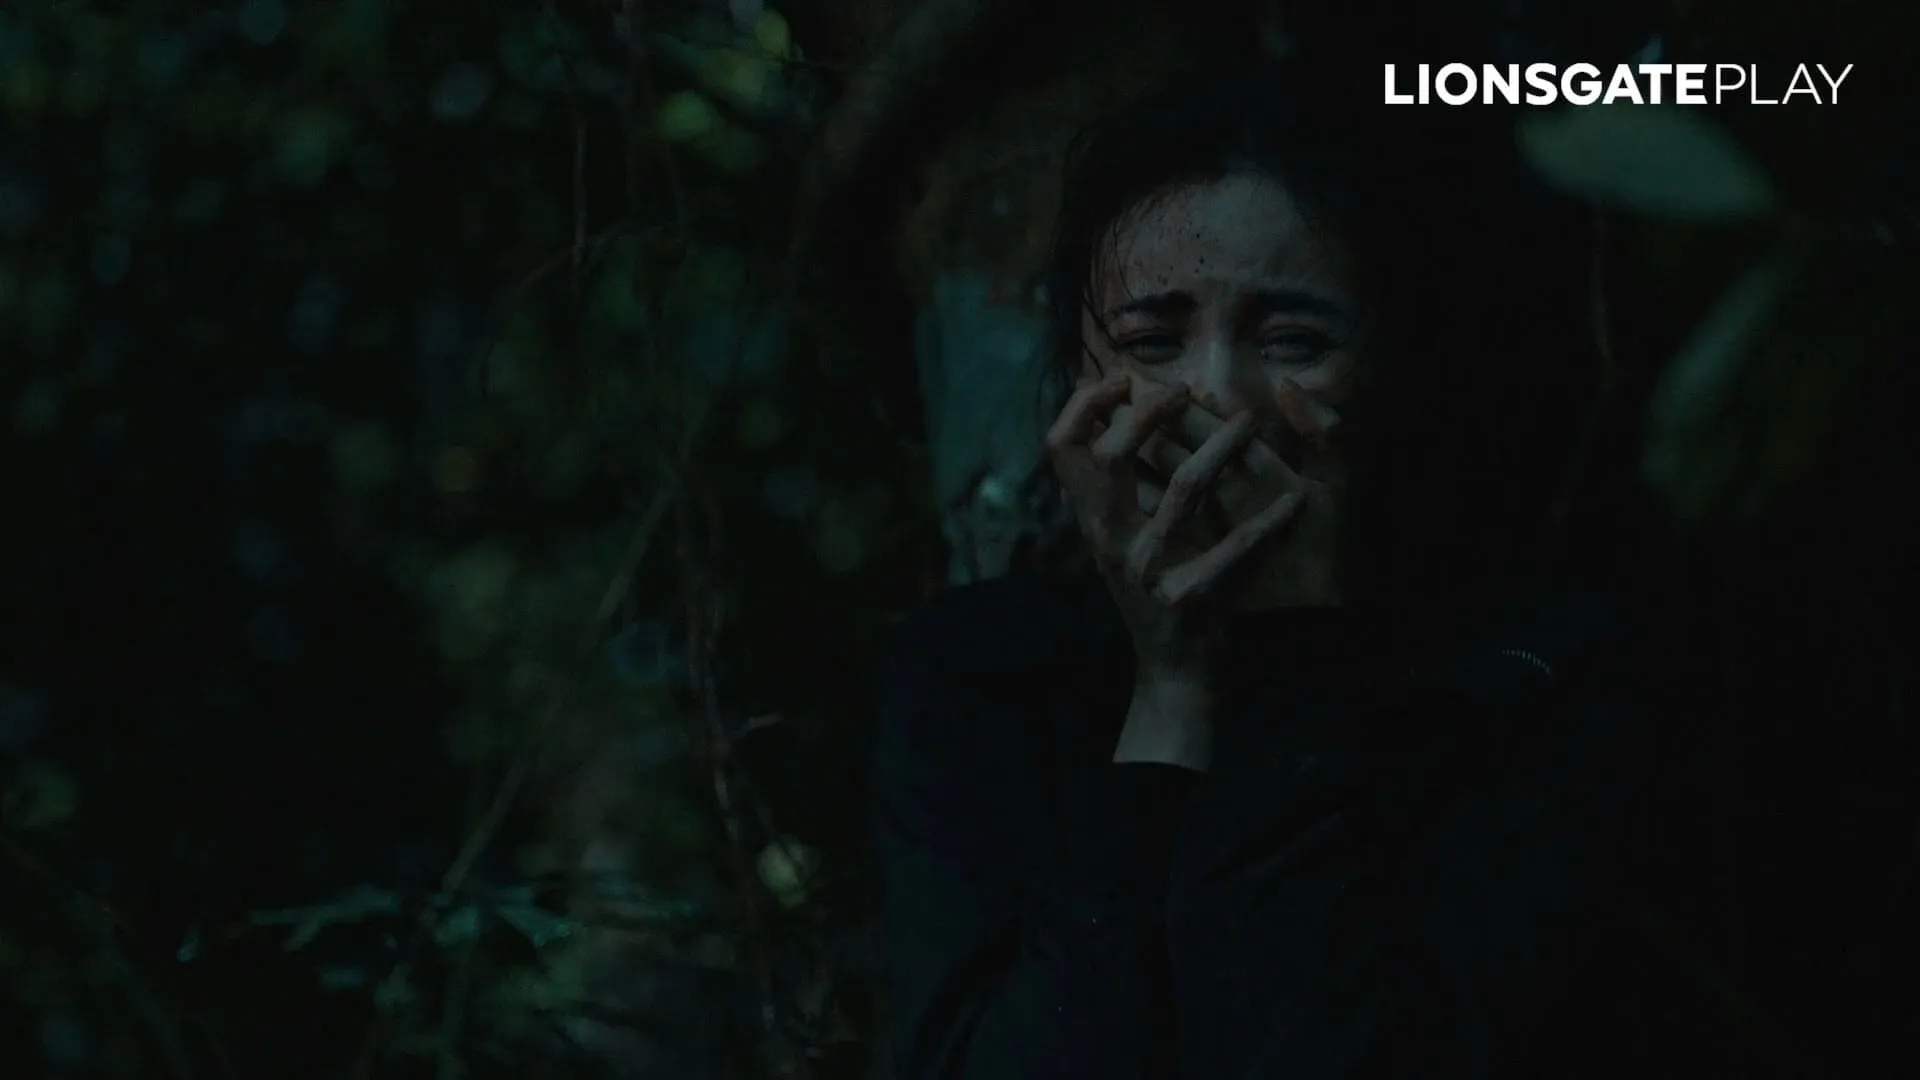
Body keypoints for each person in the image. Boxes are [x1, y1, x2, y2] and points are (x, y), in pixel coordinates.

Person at [872, 61, 1715, 1079]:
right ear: (1079, 383)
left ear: (1388, 368)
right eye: (1153, 340)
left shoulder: (1536, 677)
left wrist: (1286, 642)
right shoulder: (974, 680)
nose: (1220, 396)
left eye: (1292, 340)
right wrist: (1171, 693)